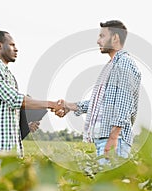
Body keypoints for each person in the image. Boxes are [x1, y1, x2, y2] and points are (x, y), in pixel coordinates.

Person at [56, 20, 141, 161]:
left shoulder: (124, 63)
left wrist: (113, 138)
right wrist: (69, 105)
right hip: (107, 139)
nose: (98, 41)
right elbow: (101, 104)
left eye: (102, 36)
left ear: (115, 38)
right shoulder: (113, 64)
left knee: (111, 182)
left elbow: (124, 103)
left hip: (115, 141)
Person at [0, 30, 61, 158]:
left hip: (8, 147)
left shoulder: (5, 71)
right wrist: (51, 104)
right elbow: (15, 99)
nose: (16, 49)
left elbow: (8, 109)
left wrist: (26, 126)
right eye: (12, 45)